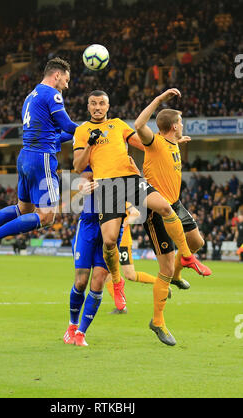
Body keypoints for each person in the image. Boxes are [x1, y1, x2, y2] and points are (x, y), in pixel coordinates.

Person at [73, 89, 211, 346]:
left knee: (164, 207)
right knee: (110, 241)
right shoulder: (82, 132)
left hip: (130, 179)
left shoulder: (118, 125)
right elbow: (78, 166)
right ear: (88, 106)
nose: (97, 107)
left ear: (108, 105)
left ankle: (186, 260)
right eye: (93, 103)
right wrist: (91, 144)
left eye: (102, 103)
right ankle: (117, 279)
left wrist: (170, 142)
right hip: (107, 187)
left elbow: (143, 142)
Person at [0, 57, 78, 258]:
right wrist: (91, 129)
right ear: (57, 75)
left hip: (25, 156)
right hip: (41, 159)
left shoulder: (30, 96)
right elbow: (69, 126)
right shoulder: (52, 94)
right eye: (66, 80)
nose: (66, 86)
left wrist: (83, 134)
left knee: (23, 208)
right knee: (46, 216)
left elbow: (59, 134)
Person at [134, 87, 212, 345]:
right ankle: (157, 321)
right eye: (180, 122)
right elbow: (138, 124)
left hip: (175, 204)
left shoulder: (172, 142)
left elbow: (170, 151)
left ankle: (180, 272)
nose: (182, 125)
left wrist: (179, 142)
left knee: (197, 242)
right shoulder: (153, 141)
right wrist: (158, 99)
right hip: (156, 210)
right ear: (173, 125)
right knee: (165, 267)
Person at [63, 167, 123, 347]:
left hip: (112, 226)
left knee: (98, 282)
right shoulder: (94, 162)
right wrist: (83, 188)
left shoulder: (122, 163)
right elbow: (80, 184)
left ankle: (81, 332)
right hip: (89, 225)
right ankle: (72, 325)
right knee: (81, 282)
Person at [106, 202, 172, 314]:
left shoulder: (123, 201)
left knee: (129, 275)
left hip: (122, 243)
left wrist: (123, 224)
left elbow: (135, 213)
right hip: (111, 242)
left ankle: (161, 283)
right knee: (107, 274)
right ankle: (121, 307)